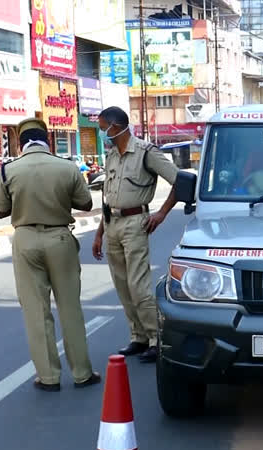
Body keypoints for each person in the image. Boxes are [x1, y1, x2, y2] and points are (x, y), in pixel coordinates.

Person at [0, 118, 100, 392]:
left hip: (26, 240)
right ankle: (82, 373)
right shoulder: (67, 167)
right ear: (48, 141)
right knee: (70, 308)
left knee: (35, 311)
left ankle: (49, 377)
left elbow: (0, 210)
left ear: (20, 143)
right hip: (60, 238)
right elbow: (86, 203)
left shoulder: (8, 170)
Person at [92, 106, 181, 363]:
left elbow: (179, 181)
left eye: (102, 128)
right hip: (112, 224)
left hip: (135, 223)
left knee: (138, 285)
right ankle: (138, 337)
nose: (102, 134)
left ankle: (156, 338)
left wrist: (162, 213)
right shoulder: (111, 156)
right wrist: (99, 233)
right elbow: (109, 199)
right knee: (122, 286)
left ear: (115, 127)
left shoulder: (145, 152)